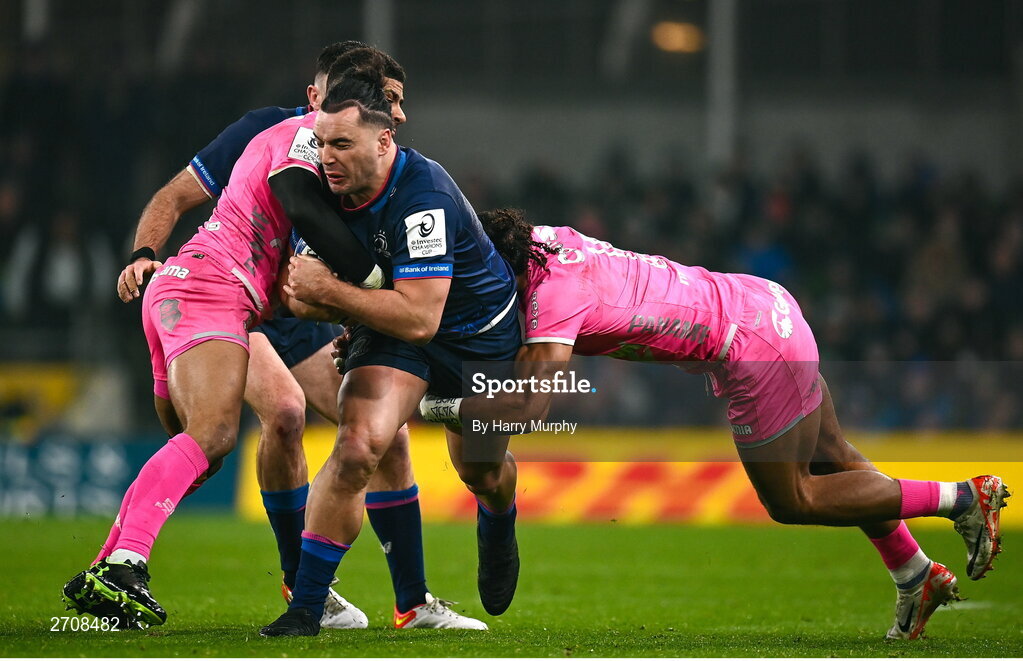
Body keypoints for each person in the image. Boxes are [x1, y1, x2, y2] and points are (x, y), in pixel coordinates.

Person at [419, 208, 1011, 641]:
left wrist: (433, 406)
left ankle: (960, 496)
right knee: (834, 456)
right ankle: (913, 574)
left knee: (794, 496)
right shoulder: (544, 242)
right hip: (759, 303)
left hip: (746, 345)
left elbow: (530, 404)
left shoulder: (553, 295)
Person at [60, 53, 480, 632]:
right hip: (217, 291)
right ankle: (127, 564)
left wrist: (354, 314)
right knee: (215, 435)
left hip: (247, 296)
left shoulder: (341, 152)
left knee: (304, 429)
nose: (401, 113)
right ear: (330, 98)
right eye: (389, 98)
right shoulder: (302, 141)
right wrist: (386, 292)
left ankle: (403, 601)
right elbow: (280, 210)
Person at [258, 68, 522, 637]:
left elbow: (422, 317)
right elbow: (301, 300)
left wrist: (333, 293)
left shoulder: (423, 196)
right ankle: (306, 607)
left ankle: (498, 519)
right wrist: (334, 301)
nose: (326, 157)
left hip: (478, 335)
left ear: (383, 142)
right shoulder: (320, 191)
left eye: (342, 144)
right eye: (322, 143)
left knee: (481, 470)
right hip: (394, 329)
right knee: (358, 446)